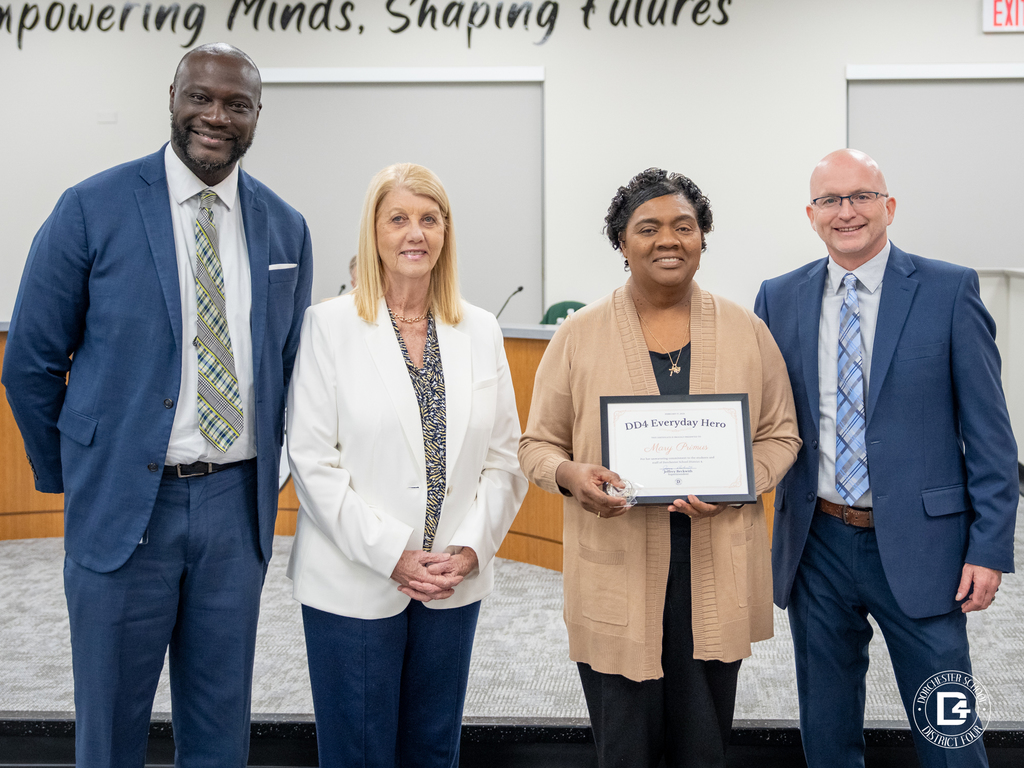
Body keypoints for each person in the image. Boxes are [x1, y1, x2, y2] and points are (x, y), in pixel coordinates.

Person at [2, 44, 313, 766]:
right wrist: (71, 474)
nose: (216, 116)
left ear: (257, 115)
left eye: (237, 104)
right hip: (124, 507)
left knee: (219, 724)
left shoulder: (286, 228)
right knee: (110, 727)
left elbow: (291, 366)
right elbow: (32, 363)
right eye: (200, 96)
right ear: (172, 95)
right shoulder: (91, 207)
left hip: (236, 511)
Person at [518, 168, 801, 768]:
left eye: (684, 226)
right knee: (624, 744)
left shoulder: (748, 332)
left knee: (703, 743)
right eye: (648, 228)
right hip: (616, 563)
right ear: (622, 242)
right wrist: (573, 477)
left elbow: (781, 435)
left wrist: (740, 482)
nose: (668, 239)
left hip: (715, 560)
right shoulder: (577, 335)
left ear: (703, 238)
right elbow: (537, 446)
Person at [754, 149, 1018, 768]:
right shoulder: (779, 296)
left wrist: (988, 546)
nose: (847, 212)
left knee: (948, 730)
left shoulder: (949, 289)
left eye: (861, 197)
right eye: (830, 201)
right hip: (815, 541)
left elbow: (991, 435)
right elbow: (764, 419)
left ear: (889, 206)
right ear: (812, 216)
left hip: (924, 547)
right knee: (826, 725)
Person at [286, 162, 528, 768]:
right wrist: (392, 553)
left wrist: (471, 550)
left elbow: (505, 460)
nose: (414, 233)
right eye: (397, 219)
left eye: (429, 218)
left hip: (452, 577)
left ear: (447, 232)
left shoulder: (480, 329)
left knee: (432, 747)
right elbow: (313, 461)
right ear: (374, 232)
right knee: (358, 752)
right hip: (356, 579)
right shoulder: (329, 325)